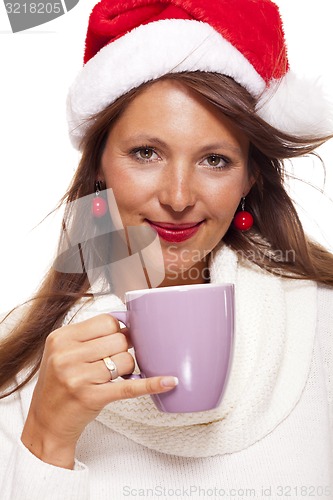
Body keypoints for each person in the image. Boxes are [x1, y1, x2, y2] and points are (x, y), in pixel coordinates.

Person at [1, 0, 332, 498]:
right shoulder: (28, 367)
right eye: (146, 153)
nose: (178, 197)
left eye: (215, 160)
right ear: (99, 166)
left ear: (250, 176)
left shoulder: (322, 323)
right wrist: (47, 439)